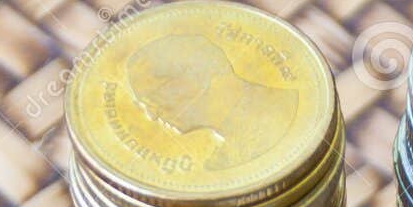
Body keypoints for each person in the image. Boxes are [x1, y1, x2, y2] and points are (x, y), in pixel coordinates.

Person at [126, 34, 298, 170]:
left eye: (155, 98)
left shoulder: (288, 109)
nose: (152, 115)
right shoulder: (219, 163)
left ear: (196, 77)